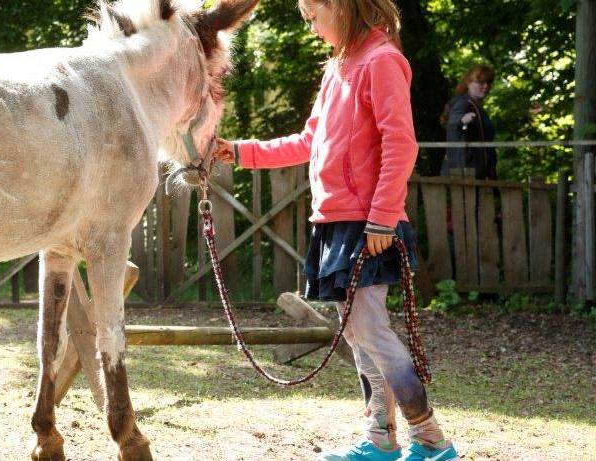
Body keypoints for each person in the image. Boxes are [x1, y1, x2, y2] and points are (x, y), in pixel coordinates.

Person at [212, 0, 459, 460]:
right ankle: (382, 439)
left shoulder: (382, 61)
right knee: (358, 334)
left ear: (340, 5)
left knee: (369, 330)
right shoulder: (336, 70)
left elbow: (401, 144)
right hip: (334, 222)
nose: (311, 28)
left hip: (368, 223)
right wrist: (243, 152)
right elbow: (309, 141)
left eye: (313, 16)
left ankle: (431, 441)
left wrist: (383, 215)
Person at [441, 65, 496, 179]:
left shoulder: (477, 107)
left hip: (479, 172)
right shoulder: (463, 103)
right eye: (481, 82)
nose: (486, 86)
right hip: (465, 173)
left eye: (488, 82)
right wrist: (462, 120)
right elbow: (454, 120)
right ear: (468, 83)